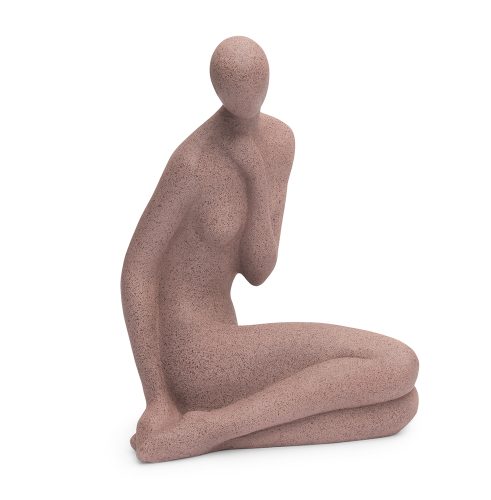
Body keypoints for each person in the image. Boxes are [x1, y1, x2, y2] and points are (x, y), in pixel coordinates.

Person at [121, 36, 419, 463]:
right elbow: (137, 269)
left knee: (399, 408)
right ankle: (213, 428)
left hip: (229, 345)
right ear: (218, 88)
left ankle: (210, 433)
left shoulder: (279, 142)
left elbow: (259, 270)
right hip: (193, 354)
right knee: (398, 363)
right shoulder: (192, 162)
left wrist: (257, 179)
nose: (248, 93)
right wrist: (157, 398)